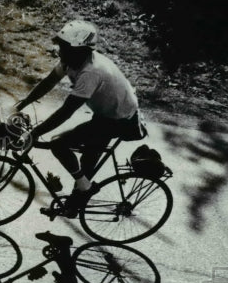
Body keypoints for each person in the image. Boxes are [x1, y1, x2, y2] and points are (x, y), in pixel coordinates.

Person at [14, 19, 142, 217]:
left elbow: (67, 111)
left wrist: (34, 133)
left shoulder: (91, 73)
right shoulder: (71, 61)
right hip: (105, 115)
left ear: (80, 50)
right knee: (85, 162)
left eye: (64, 48)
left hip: (120, 120)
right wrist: (24, 102)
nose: (59, 52)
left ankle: (83, 191)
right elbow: (49, 82)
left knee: (59, 144)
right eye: (60, 46)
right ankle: (75, 202)